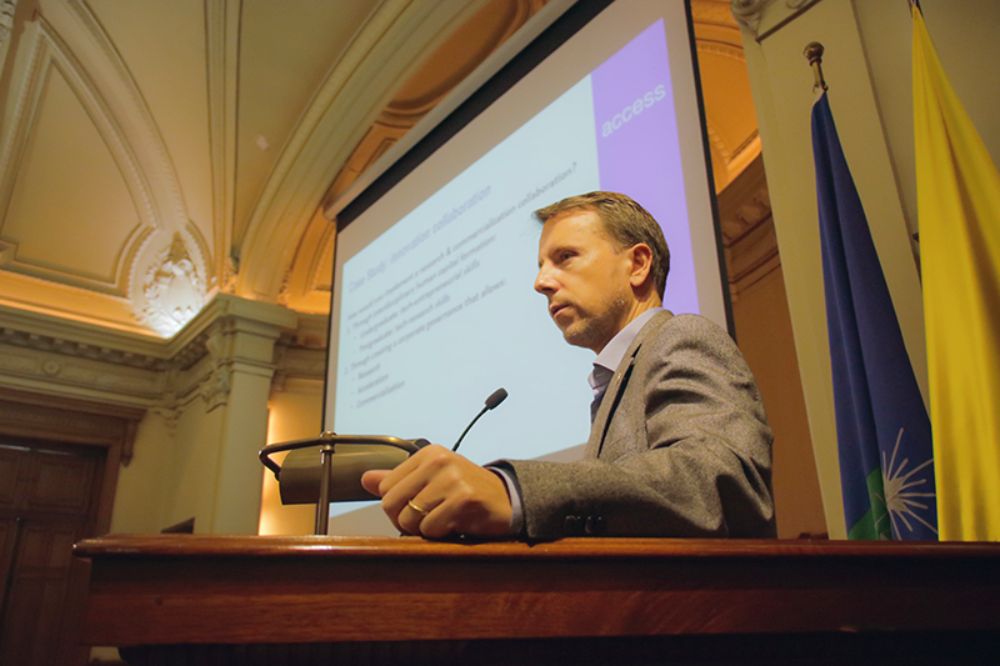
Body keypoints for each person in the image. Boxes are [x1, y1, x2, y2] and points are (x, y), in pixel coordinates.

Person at [360, 192, 775, 539]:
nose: (541, 282)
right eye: (542, 265)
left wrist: (517, 494)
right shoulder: (615, 379)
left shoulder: (680, 337)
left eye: (565, 257)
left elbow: (719, 482)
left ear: (638, 264)